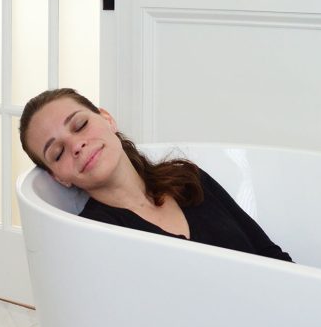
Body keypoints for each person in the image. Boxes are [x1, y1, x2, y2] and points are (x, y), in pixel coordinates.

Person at [19, 87, 292, 262]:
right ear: (59, 178)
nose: (76, 145)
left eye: (80, 125)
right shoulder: (94, 237)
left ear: (107, 119)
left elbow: (271, 256)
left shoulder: (189, 181)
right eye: (57, 153)